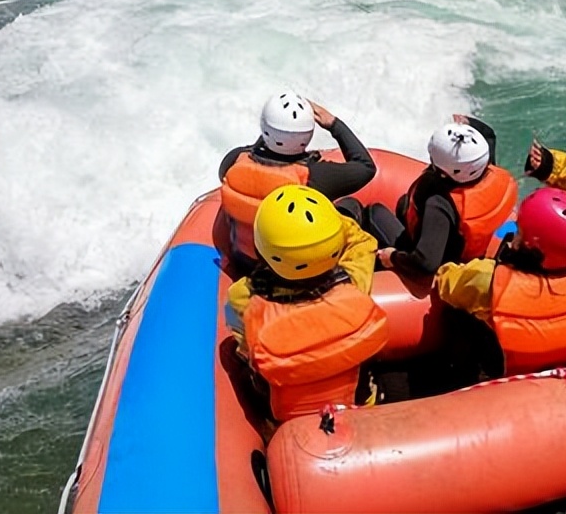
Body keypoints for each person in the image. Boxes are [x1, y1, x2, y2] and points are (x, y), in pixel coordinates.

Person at [432, 140, 566, 377]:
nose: (514, 234)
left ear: (530, 246)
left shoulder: (488, 282)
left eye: (519, 231)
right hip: (556, 369)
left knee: (455, 317)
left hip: (503, 375)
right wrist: (553, 167)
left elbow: (447, 282)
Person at [225, 184, 389, 424]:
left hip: (285, 423)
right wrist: (325, 228)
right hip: (358, 407)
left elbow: (241, 343)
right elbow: (362, 242)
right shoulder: (354, 281)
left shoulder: (242, 297)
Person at [341, 115, 517, 280]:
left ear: (444, 173)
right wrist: (469, 124)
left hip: (445, 264)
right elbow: (488, 134)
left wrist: (393, 257)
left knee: (373, 212)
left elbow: (426, 263)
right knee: (404, 203)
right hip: (470, 249)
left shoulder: (439, 203)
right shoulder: (488, 169)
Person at [217, 91, 376, 268]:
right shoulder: (315, 177)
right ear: (308, 134)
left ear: (264, 128)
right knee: (350, 206)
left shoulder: (234, 160)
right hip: (289, 271)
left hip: (244, 261)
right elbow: (366, 167)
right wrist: (334, 124)